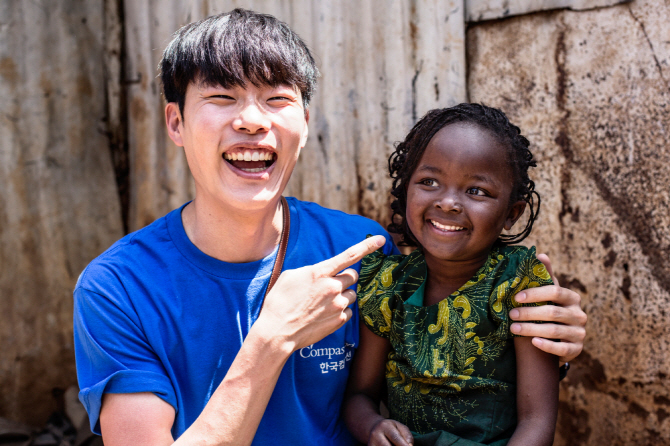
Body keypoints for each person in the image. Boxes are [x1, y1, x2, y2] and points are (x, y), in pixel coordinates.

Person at [73, 9, 586, 446]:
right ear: (176, 123)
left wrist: (548, 331)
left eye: (276, 100)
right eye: (222, 98)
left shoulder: (362, 250)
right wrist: (272, 337)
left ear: (305, 122)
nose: (252, 120)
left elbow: (453, 330)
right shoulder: (117, 289)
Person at [344, 104, 561, 446]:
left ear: (511, 214)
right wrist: (372, 426)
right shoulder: (387, 285)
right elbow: (359, 395)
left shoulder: (518, 284)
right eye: (429, 181)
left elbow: (538, 422)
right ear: (404, 191)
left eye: (476, 191)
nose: (448, 203)